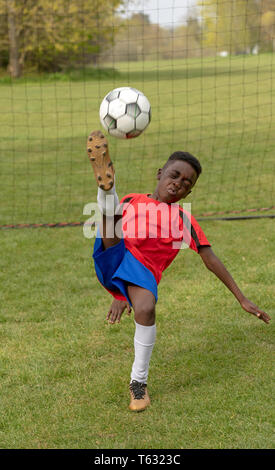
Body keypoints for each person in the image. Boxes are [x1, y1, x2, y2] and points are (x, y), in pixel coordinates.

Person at [86, 130, 270, 412]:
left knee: (145, 307)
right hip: (116, 253)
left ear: (190, 191)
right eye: (174, 175)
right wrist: (120, 292)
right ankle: (106, 188)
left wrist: (241, 298)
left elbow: (209, 258)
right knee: (110, 221)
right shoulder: (135, 200)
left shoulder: (182, 219)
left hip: (142, 272)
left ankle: (138, 384)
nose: (178, 184)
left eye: (186, 183)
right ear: (160, 173)